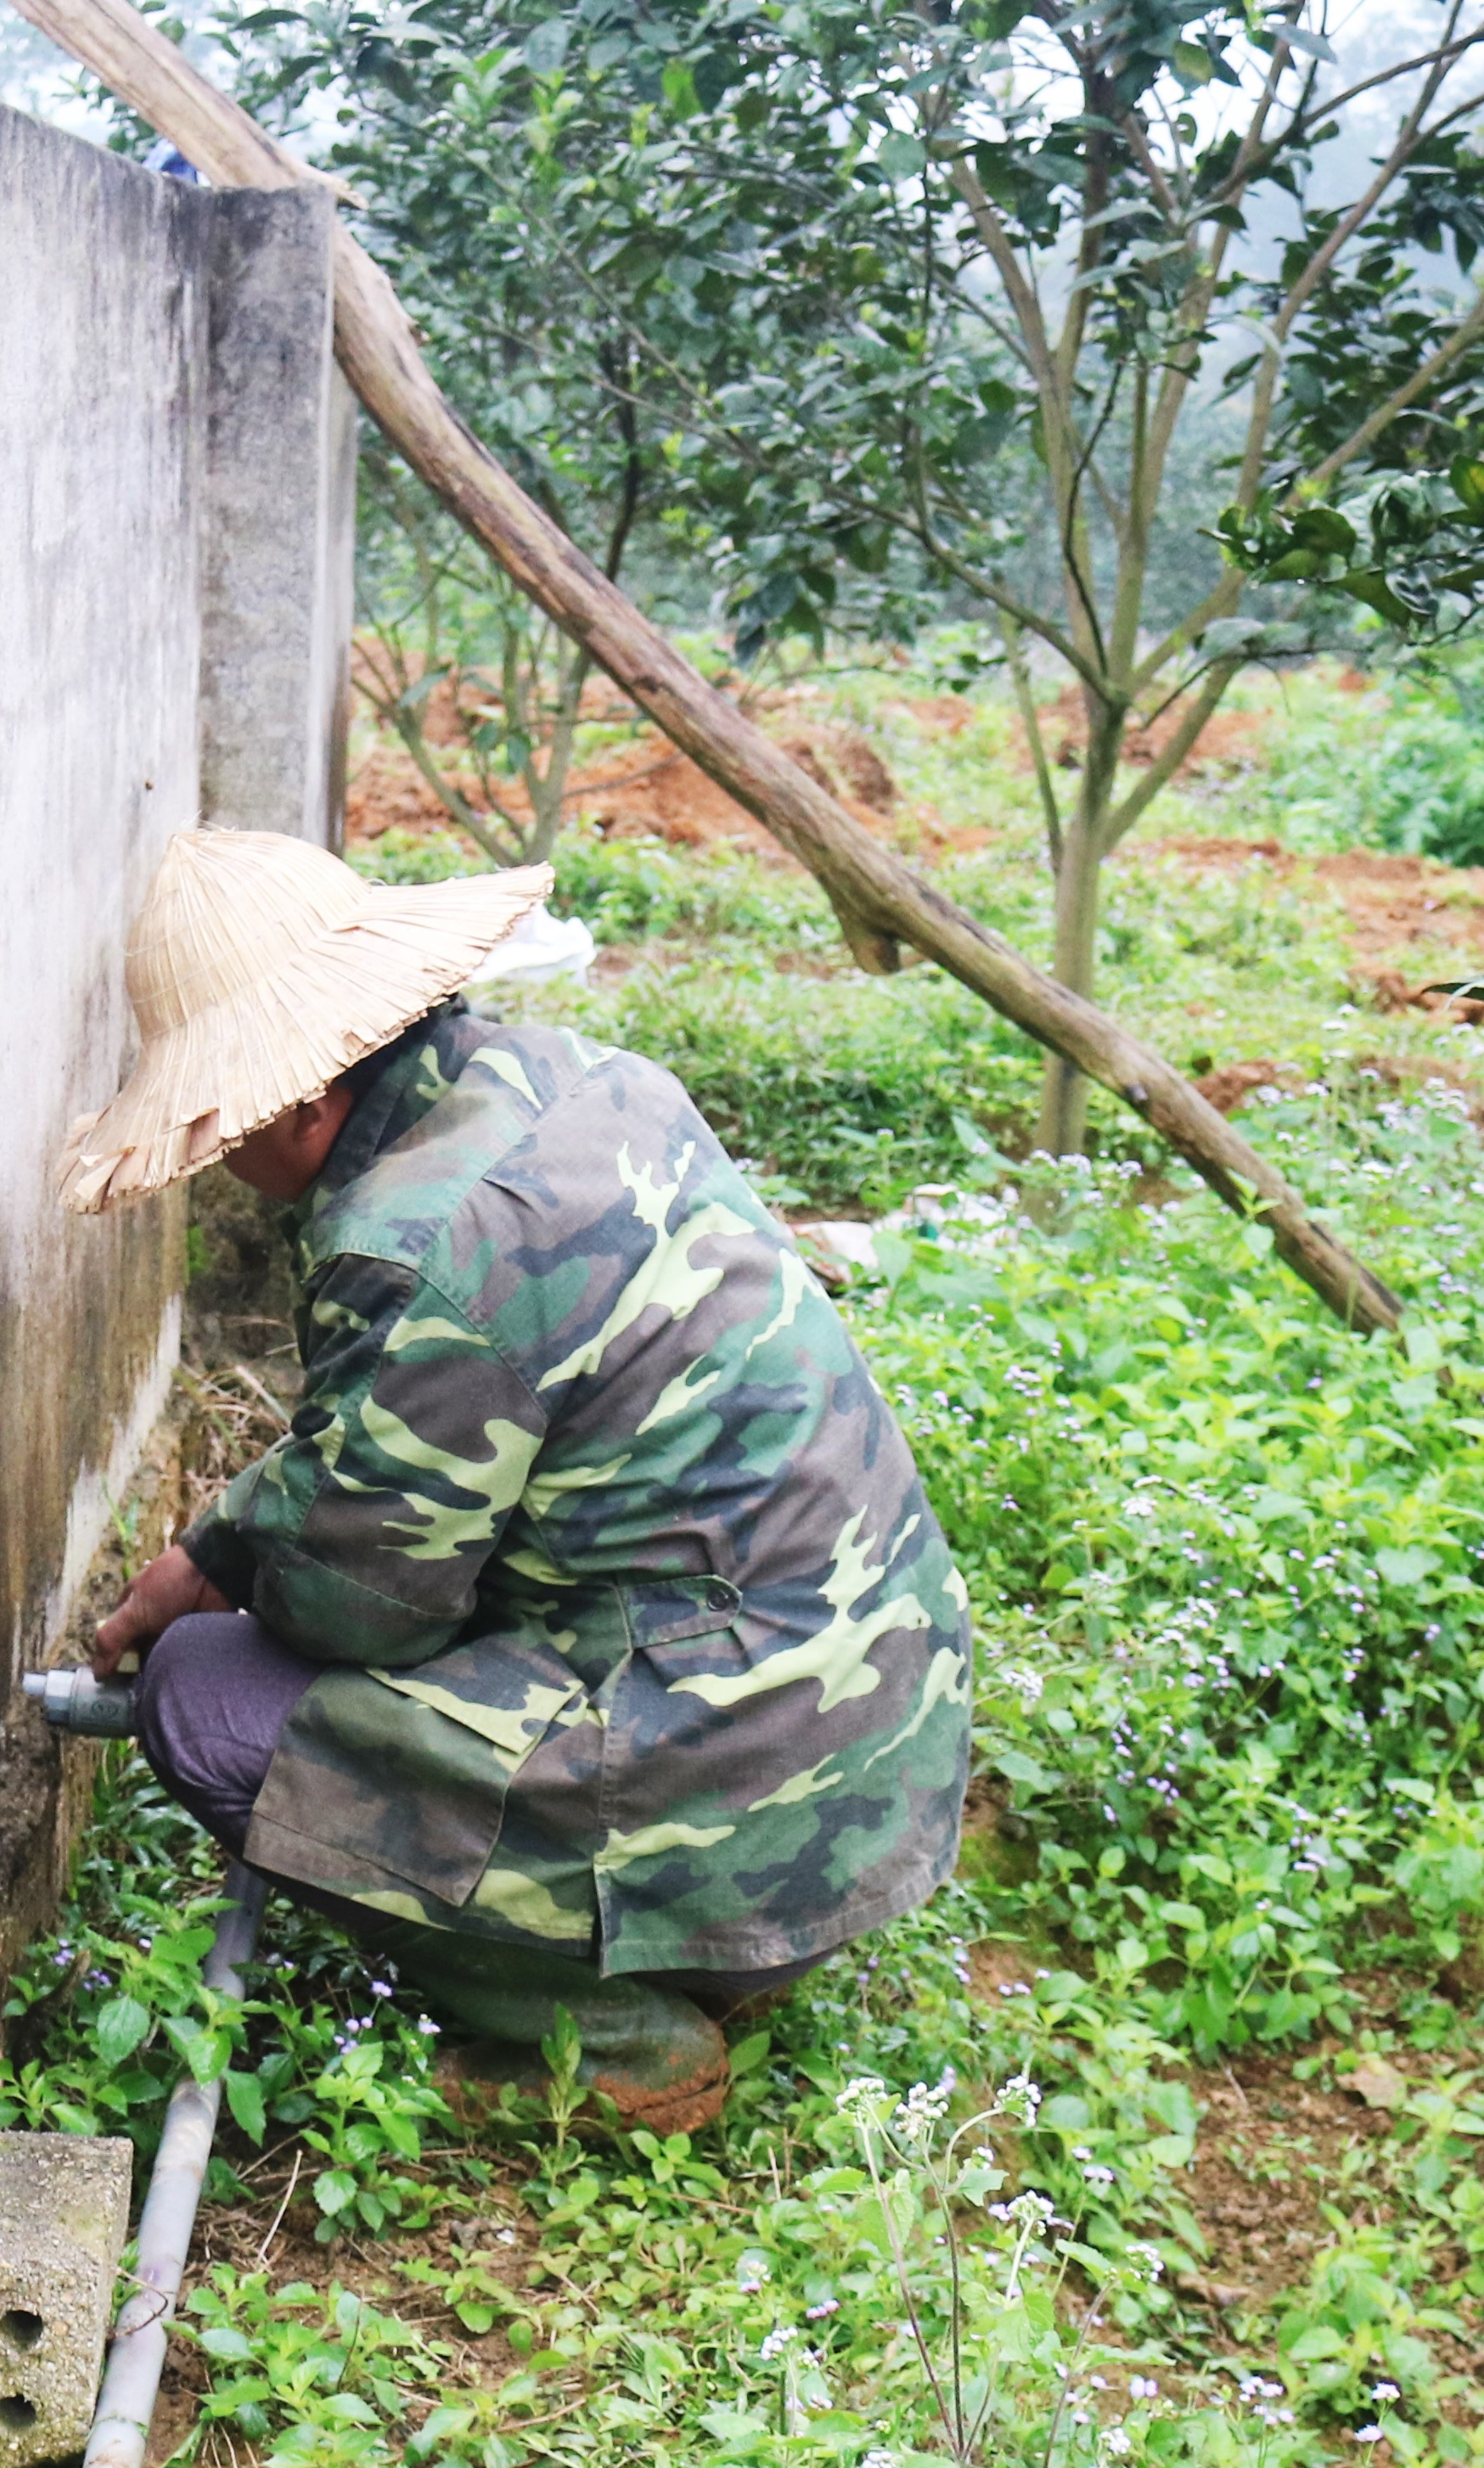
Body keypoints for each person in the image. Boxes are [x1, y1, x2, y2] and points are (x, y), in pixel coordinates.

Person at [62, 824, 974, 2137]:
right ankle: (715, 1946)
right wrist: (221, 1543)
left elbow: (359, 1612)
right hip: (870, 1735)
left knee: (207, 1699)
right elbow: (426, 1426)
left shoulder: (404, 1241)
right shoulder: (573, 1081)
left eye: (217, 1125)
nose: (212, 1159)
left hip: (751, 1783)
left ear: (297, 1099)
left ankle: (612, 2038)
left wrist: (232, 1597)